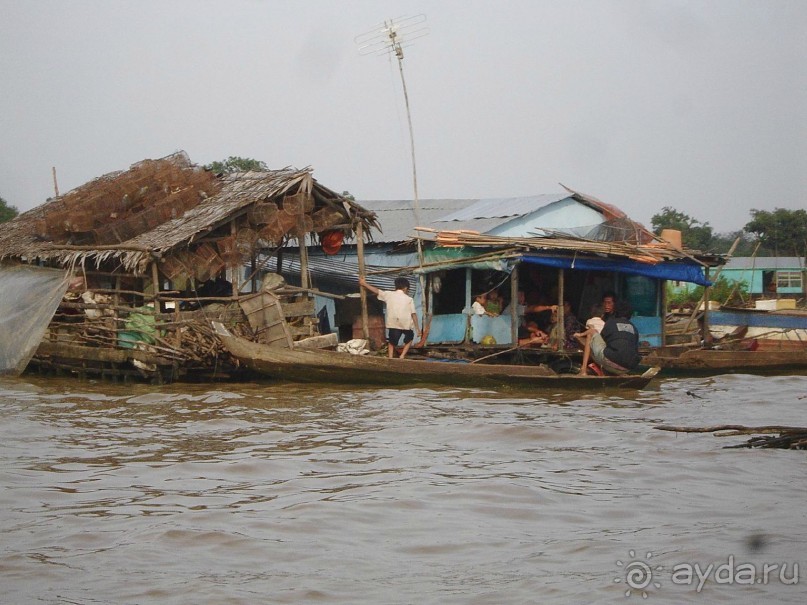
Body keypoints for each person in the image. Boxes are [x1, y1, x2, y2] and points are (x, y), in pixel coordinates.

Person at [573, 300, 641, 375]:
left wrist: (581, 334)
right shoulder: (634, 328)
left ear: (615, 311)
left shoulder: (611, 322)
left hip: (610, 362)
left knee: (591, 332)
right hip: (628, 368)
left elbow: (603, 341)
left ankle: (583, 370)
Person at [359, 276, 420, 359]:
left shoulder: (389, 294)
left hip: (393, 323)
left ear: (396, 286)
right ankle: (402, 356)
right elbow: (413, 314)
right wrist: (417, 329)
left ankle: (390, 357)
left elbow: (377, 291)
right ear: (405, 288)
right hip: (405, 323)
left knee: (391, 342)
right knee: (409, 338)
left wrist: (364, 284)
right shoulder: (409, 299)